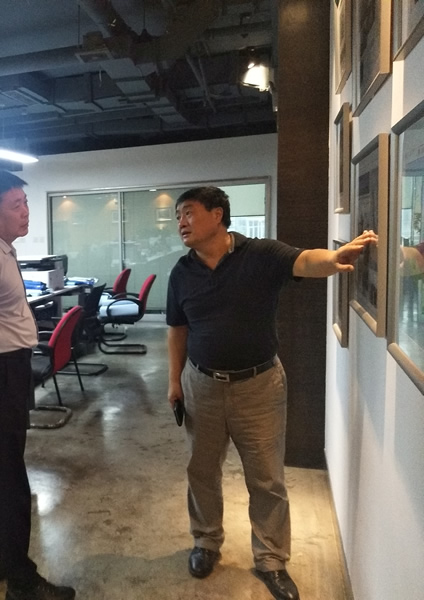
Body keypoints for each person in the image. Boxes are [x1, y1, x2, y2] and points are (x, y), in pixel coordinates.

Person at [166, 186, 377, 600]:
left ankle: (271, 559)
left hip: (259, 386)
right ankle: (205, 541)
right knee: (201, 471)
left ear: (217, 214)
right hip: (201, 384)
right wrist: (175, 381)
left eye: (188, 213)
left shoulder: (260, 254)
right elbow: (177, 329)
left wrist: (334, 259)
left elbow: (305, 260)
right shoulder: (181, 272)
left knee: (266, 478)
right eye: (178, 217)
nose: (181, 223)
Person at [0, 169, 76, 600]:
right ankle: (21, 581)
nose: (25, 211)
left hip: (6, 371)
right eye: (16, 205)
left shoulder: (1, 249)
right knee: (7, 481)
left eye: (25, 203)